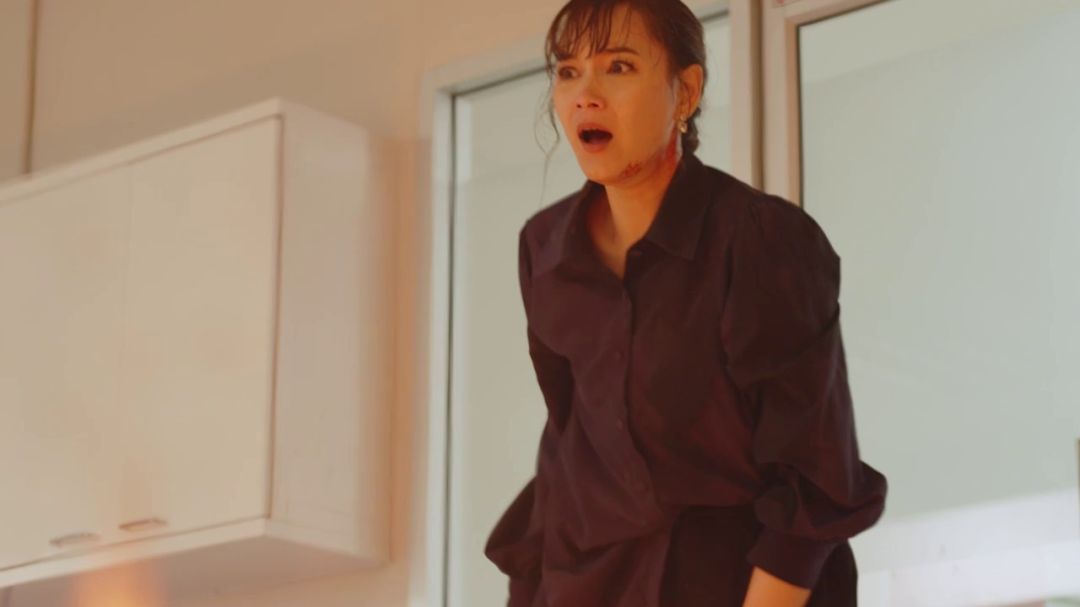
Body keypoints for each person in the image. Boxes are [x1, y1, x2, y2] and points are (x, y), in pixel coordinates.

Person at [484, 1, 888, 605]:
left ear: (686, 92)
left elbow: (814, 476)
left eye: (618, 67)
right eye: (568, 72)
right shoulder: (545, 250)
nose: (585, 95)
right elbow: (570, 453)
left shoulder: (762, 239)